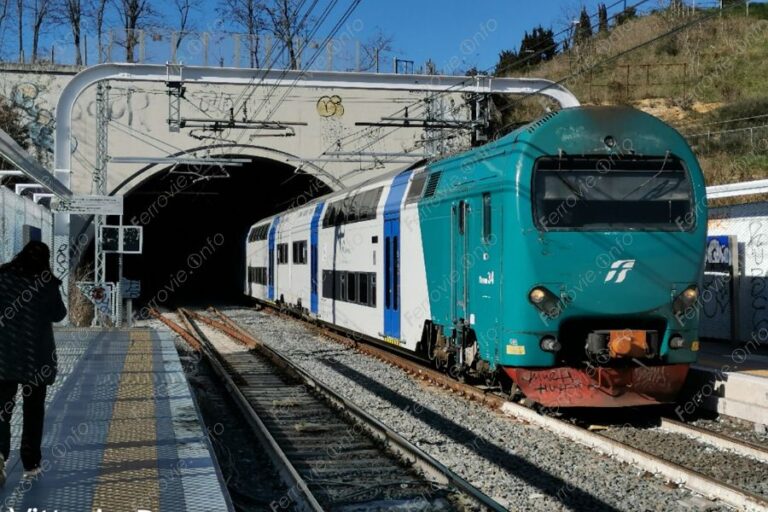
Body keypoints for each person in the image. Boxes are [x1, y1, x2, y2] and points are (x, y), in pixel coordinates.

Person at [0, 241, 66, 486]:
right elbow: (59, 314)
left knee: (2, 409)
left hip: (4, 357)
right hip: (36, 358)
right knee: (33, 411)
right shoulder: (46, 283)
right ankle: (30, 464)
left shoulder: (3, 277)